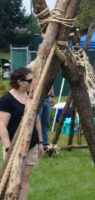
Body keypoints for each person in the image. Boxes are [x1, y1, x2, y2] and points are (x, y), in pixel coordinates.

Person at [0, 67, 44, 200]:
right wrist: (8, 146)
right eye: (30, 81)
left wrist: (41, 142)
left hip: (32, 143)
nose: (33, 83)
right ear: (20, 82)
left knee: (25, 178)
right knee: (12, 178)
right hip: (14, 145)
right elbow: (2, 125)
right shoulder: (7, 99)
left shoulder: (32, 97)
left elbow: (37, 121)